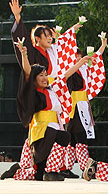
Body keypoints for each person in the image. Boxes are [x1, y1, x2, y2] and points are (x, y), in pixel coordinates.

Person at [14, 42, 90, 181]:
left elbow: (66, 75)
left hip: (55, 125)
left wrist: (82, 62)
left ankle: (51, 170)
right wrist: (24, 54)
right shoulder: (33, 92)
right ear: (34, 78)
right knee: (59, 135)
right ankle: (26, 171)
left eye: (46, 75)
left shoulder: (52, 89)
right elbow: (27, 72)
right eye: (41, 76)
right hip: (41, 129)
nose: (44, 78)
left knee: (63, 137)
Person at [63, 37, 107, 179]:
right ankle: (83, 167)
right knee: (78, 137)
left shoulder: (83, 68)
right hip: (73, 106)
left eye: (79, 56)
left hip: (82, 106)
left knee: (74, 139)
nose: (78, 59)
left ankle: (69, 167)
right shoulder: (68, 70)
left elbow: (95, 57)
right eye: (75, 57)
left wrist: (103, 45)